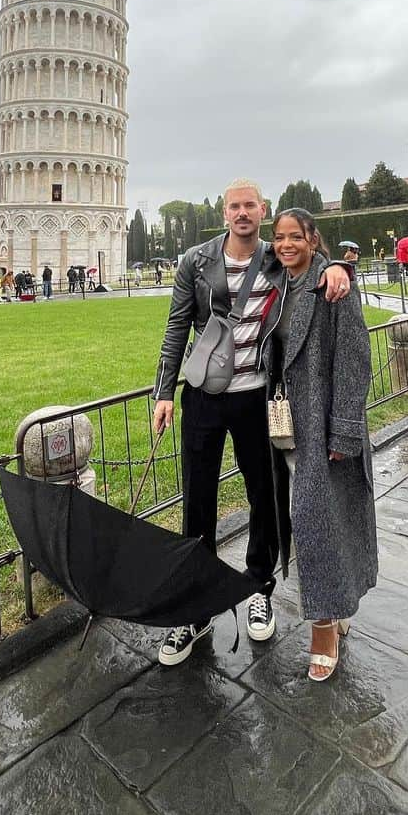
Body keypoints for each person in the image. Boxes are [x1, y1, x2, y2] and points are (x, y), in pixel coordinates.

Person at [151, 179, 351, 667]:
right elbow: (177, 326)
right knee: (198, 499)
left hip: (259, 396)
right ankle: (195, 609)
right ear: (224, 214)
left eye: (250, 206)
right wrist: (163, 392)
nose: (243, 213)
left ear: (262, 211)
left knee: (265, 495)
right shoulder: (195, 261)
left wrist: (340, 267)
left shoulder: (275, 257)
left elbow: (312, 262)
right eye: (234, 206)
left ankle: (259, 586)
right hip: (203, 396)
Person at [267, 208, 377, 682]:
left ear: (313, 239)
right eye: (279, 238)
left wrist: (346, 428)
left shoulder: (333, 285)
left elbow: (355, 358)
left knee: (314, 520)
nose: (286, 245)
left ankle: (324, 626)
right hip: (282, 420)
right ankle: (340, 596)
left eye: (295, 237)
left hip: (322, 419)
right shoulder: (277, 281)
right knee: (321, 519)